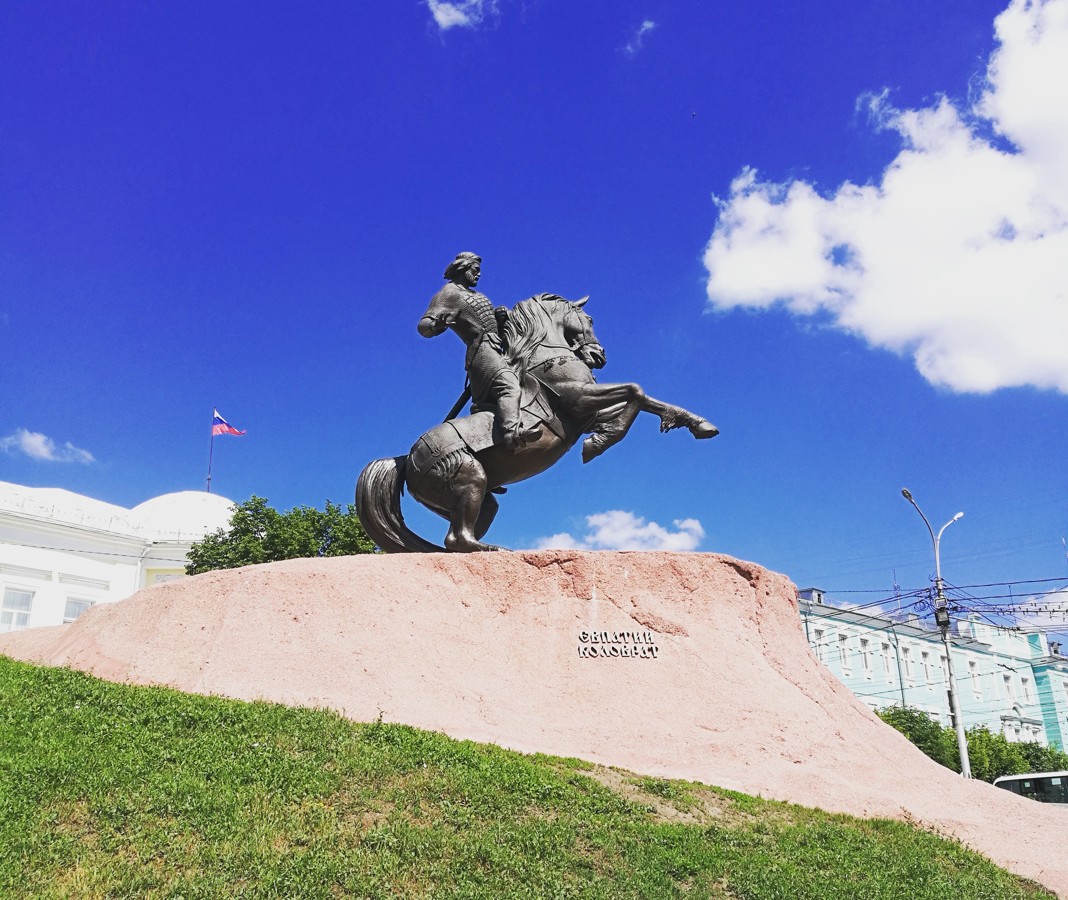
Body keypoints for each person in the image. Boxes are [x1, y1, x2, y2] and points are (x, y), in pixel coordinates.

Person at [418, 252, 540, 452]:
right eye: (475, 270)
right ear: (463, 268)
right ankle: (512, 434)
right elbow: (423, 326)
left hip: (495, 350)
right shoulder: (450, 293)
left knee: (489, 410)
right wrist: (435, 325)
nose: (479, 275)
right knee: (510, 387)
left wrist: (500, 320)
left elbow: (488, 325)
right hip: (482, 352)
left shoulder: (476, 295)